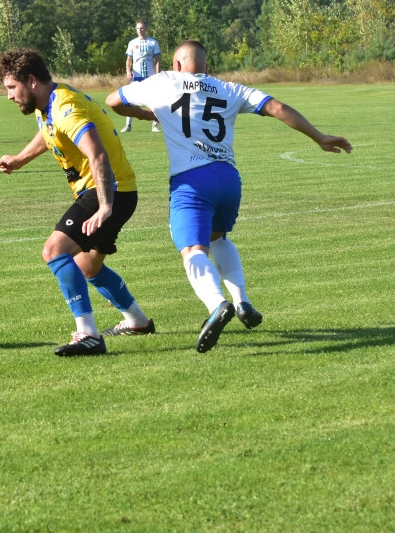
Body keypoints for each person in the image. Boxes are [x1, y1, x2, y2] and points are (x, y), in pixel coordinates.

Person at [106, 40, 352, 353]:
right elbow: (277, 107)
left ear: (177, 65)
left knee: (192, 249)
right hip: (228, 178)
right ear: (206, 66)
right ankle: (242, 301)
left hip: (191, 180)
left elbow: (113, 100)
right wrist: (319, 136)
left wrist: (147, 115)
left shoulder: (163, 81)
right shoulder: (229, 88)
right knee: (219, 238)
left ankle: (217, 304)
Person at [0, 47, 154, 357]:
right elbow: (50, 131)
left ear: (30, 81)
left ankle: (87, 334)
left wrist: (106, 206)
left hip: (108, 191)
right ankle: (137, 322)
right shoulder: (50, 103)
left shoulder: (66, 106)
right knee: (87, 265)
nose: (10, 96)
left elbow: (98, 155)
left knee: (53, 250)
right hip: (115, 191)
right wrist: (20, 159)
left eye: (12, 87)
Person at [123, 20, 161, 132]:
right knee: (131, 99)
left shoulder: (153, 43)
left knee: (154, 100)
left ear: (146, 29)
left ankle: (155, 125)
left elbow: (157, 60)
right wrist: (128, 71)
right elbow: (128, 60)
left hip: (150, 75)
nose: (140, 30)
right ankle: (128, 125)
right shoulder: (132, 43)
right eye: (138, 28)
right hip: (137, 76)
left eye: (142, 28)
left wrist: (158, 74)